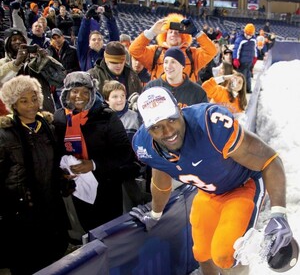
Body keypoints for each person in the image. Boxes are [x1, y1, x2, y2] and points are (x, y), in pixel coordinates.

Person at [130, 86, 294, 275]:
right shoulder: (144, 145)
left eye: (172, 119)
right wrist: (155, 214)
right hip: (209, 193)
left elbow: (269, 160)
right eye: (156, 126)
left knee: (225, 254)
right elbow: (161, 179)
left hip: (242, 186)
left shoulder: (210, 125)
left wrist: (279, 213)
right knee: (201, 253)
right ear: (147, 129)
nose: (168, 131)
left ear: (180, 109)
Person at [0, 75, 70, 275]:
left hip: (51, 202)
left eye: (34, 98)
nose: (31, 105)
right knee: (28, 260)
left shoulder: (48, 127)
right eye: (23, 101)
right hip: (22, 209)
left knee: (54, 254)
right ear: (13, 104)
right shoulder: (5, 134)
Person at [53, 71, 137, 232]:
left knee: (111, 228)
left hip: (107, 185)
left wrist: (93, 164)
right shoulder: (59, 118)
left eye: (85, 92)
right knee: (89, 227)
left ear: (92, 93)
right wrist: (63, 171)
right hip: (78, 186)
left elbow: (125, 152)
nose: (80, 96)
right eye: (74, 91)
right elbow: (57, 151)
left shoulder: (106, 116)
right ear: (66, 93)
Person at [102, 80, 151, 212]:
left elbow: (143, 145)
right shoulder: (102, 120)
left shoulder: (135, 117)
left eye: (122, 96)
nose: (120, 100)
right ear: (107, 100)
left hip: (132, 174)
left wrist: (138, 165)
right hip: (110, 174)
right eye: (115, 96)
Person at [128, 13, 217, 83]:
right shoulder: (155, 52)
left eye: (177, 32)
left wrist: (197, 33)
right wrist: (151, 32)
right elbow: (134, 50)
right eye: (170, 32)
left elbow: (211, 51)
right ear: (164, 35)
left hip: (186, 100)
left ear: (184, 36)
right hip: (161, 100)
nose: (173, 34)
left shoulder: (192, 54)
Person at [0, 27, 58, 113]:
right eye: (14, 40)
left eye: (21, 39)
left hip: (42, 111)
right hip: (14, 114)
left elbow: (59, 79)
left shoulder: (35, 61)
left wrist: (46, 60)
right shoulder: (2, 63)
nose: (18, 42)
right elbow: (2, 79)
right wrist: (16, 63)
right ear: (7, 43)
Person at [77, 4, 120, 71]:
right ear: (89, 43)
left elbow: (114, 42)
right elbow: (82, 38)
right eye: (94, 40)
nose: (97, 41)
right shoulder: (84, 54)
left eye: (99, 39)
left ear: (103, 42)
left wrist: (110, 19)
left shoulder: (107, 53)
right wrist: (87, 18)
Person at [232, 23, 257, 93]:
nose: (248, 36)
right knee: (242, 77)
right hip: (242, 62)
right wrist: (236, 59)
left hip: (249, 62)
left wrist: (255, 57)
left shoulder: (254, 40)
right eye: (247, 34)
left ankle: (248, 89)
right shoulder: (240, 39)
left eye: (250, 35)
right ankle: (241, 91)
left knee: (248, 76)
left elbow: (255, 49)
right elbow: (236, 50)